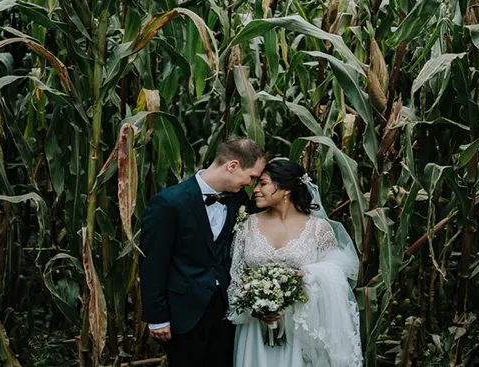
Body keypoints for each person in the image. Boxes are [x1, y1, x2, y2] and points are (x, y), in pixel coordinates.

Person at [140, 136, 265, 367]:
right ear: (233, 166)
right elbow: (152, 263)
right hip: (184, 314)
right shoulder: (169, 203)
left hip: (226, 312)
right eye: (252, 176)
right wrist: (157, 318)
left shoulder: (238, 200)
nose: (251, 184)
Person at [228, 158, 362, 366]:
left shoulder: (319, 230)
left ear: (286, 190)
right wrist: (255, 308)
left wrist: (308, 275)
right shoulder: (247, 226)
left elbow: (338, 275)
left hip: (302, 328)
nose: (255, 190)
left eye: (263, 184)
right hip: (255, 326)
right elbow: (236, 277)